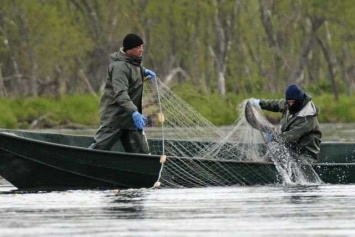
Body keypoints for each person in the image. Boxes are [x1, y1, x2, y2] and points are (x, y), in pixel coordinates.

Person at [89, 33, 156, 153]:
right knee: (98, 150)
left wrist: (143, 71)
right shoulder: (119, 67)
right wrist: (135, 112)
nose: (141, 50)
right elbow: (120, 94)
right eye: (138, 47)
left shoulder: (134, 64)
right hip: (115, 119)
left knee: (143, 156)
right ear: (129, 49)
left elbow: (133, 70)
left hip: (130, 122)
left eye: (142, 46)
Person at [250, 83, 322, 162]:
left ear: (299, 100)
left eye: (292, 102)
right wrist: (259, 103)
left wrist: (273, 137)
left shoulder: (307, 117)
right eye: (288, 102)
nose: (290, 104)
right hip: (291, 149)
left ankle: (263, 166)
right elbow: (275, 105)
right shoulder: (289, 104)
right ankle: (262, 164)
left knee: (276, 151)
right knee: (274, 150)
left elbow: (290, 137)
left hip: (305, 155)